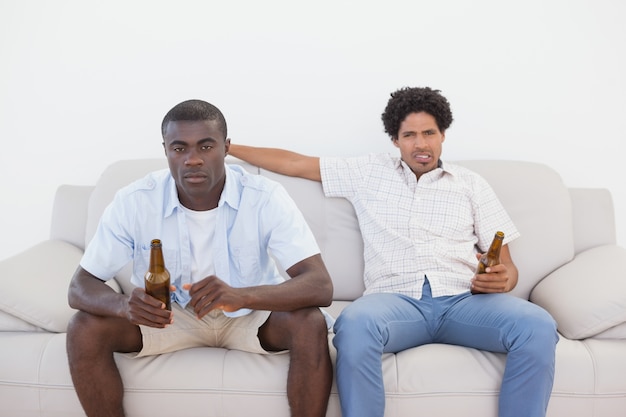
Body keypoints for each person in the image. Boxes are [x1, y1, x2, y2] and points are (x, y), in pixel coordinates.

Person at [228, 86, 559, 417]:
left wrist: (502, 280)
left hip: (464, 302)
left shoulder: (471, 184)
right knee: (354, 324)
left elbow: (508, 267)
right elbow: (294, 162)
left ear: (443, 134)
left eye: (429, 133)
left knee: (538, 326)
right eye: (409, 135)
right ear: (395, 140)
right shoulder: (367, 172)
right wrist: (227, 148)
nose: (421, 143)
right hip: (394, 303)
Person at [66, 99, 334, 417]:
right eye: (179, 148)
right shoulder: (135, 200)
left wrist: (241, 295)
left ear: (226, 147)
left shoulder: (264, 197)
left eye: (206, 146)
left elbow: (320, 285)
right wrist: (123, 305)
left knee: (309, 322)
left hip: (249, 314)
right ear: (165, 150)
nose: (193, 160)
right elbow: (80, 286)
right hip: (168, 317)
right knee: (83, 327)